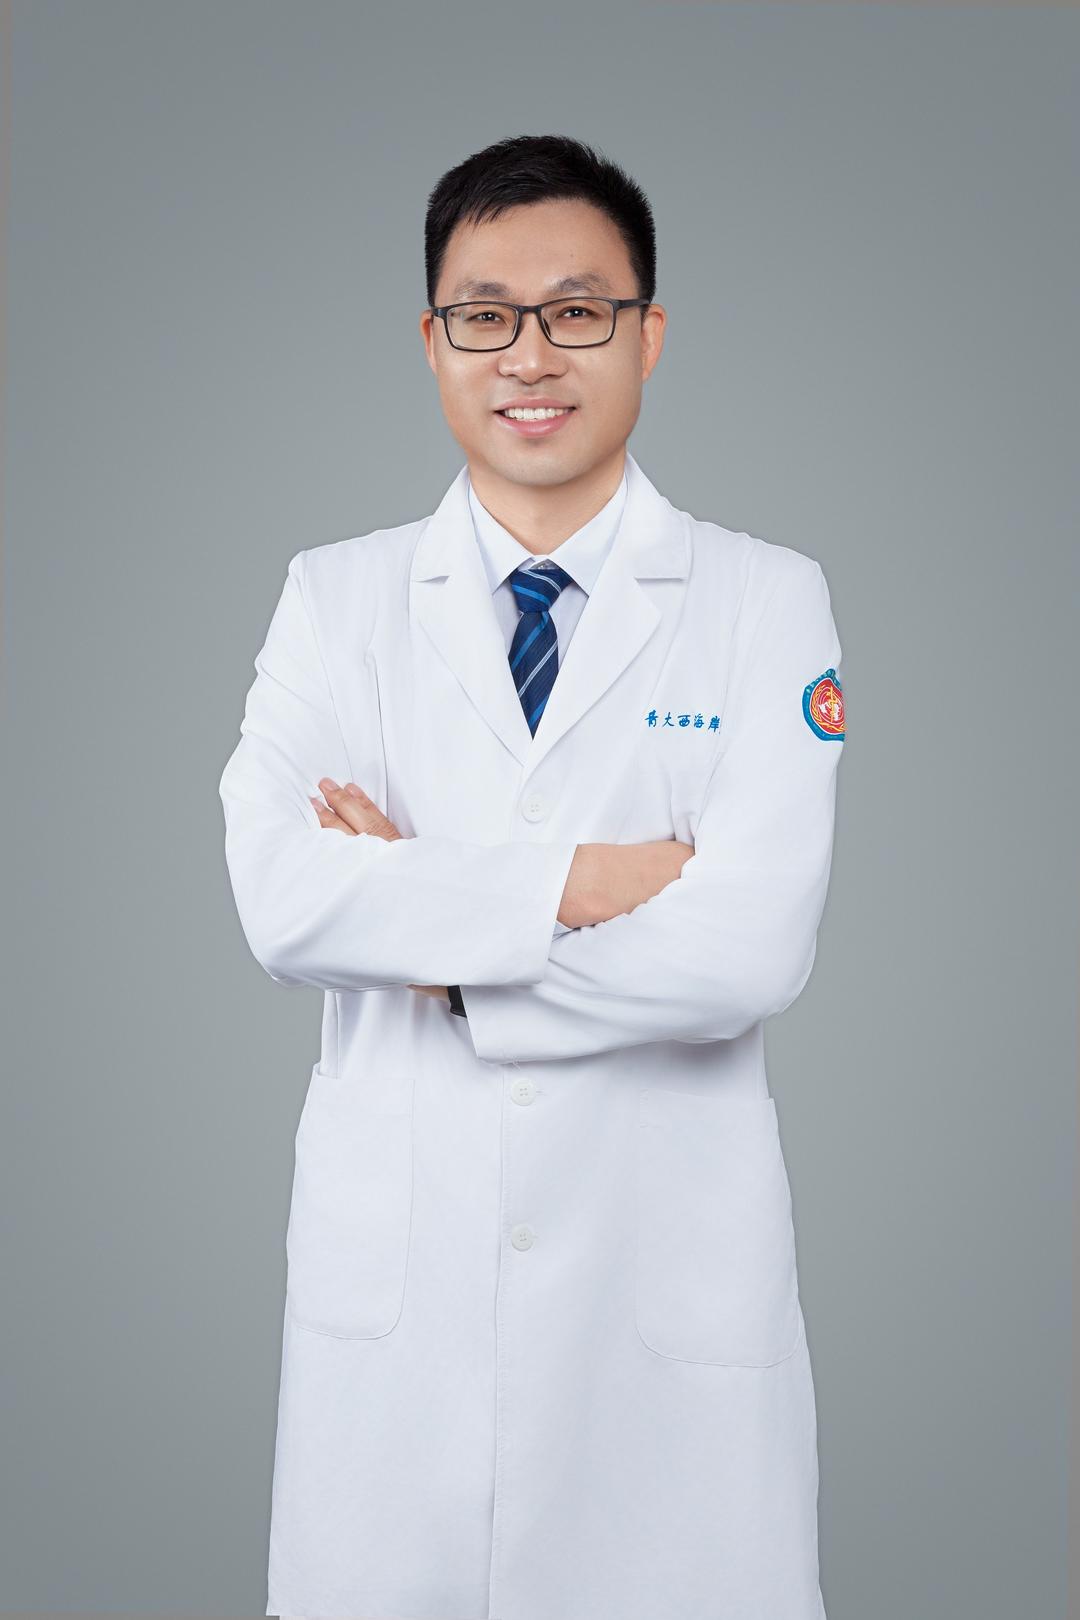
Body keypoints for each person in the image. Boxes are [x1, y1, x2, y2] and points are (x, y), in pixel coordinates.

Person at [219, 131, 846, 1620]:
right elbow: (282, 898)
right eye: (484, 315)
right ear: (432, 341)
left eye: (577, 311)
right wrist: (587, 880)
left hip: (660, 1311)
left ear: (649, 334)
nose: (530, 355)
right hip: (404, 1328)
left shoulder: (765, 600)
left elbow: (750, 949)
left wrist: (439, 948)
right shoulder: (337, 599)